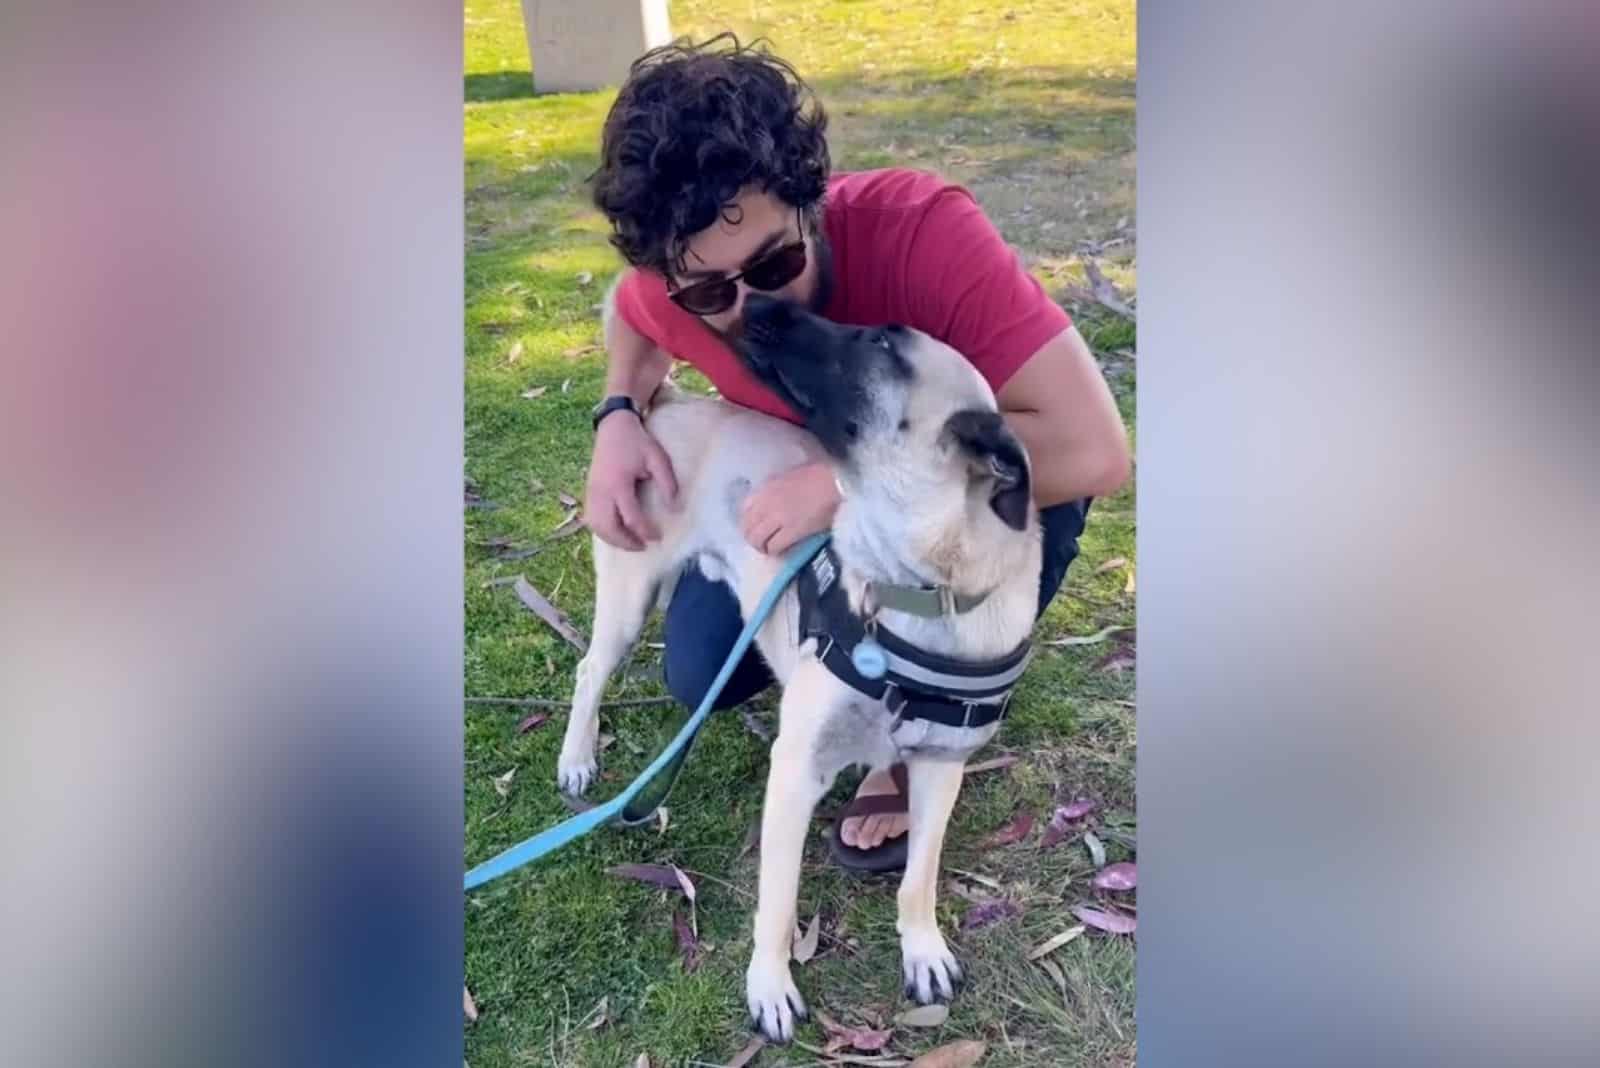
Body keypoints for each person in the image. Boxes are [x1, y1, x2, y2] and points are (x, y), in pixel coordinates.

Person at [582, 34, 1130, 871]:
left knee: (992, 525)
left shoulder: (925, 233)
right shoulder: (680, 285)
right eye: (709, 291)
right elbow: (634, 310)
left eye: (776, 262)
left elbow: (1094, 451)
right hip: (817, 496)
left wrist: (846, 488)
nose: (749, 303)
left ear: (814, 202)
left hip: (965, 482)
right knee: (703, 677)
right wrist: (619, 410)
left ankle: (917, 740)